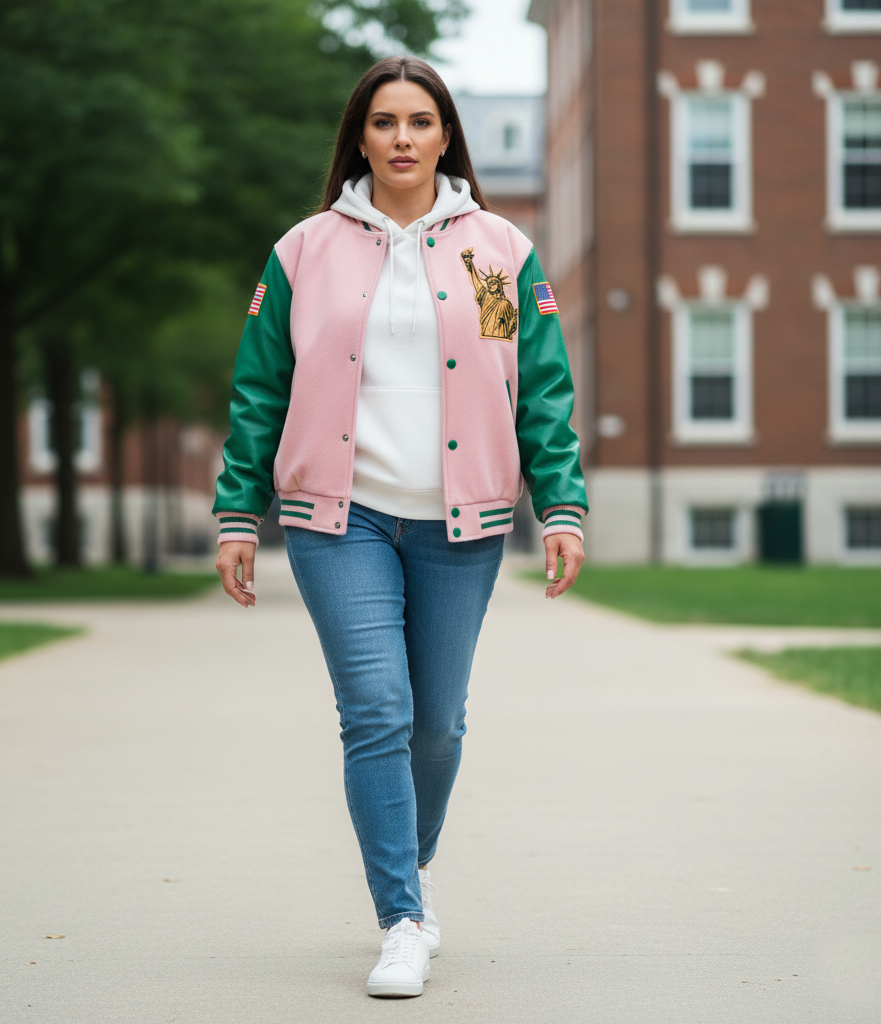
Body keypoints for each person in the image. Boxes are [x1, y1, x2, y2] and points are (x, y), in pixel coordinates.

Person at [213, 55, 587, 998]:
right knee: (376, 712)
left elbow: (539, 386)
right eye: (385, 122)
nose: (404, 139)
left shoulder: (496, 249)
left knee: (440, 729)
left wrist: (561, 504)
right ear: (361, 137)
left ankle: (404, 870)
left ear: (447, 134)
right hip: (340, 520)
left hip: (462, 524)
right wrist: (237, 512)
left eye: (421, 121)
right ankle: (402, 917)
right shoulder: (304, 248)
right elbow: (261, 386)